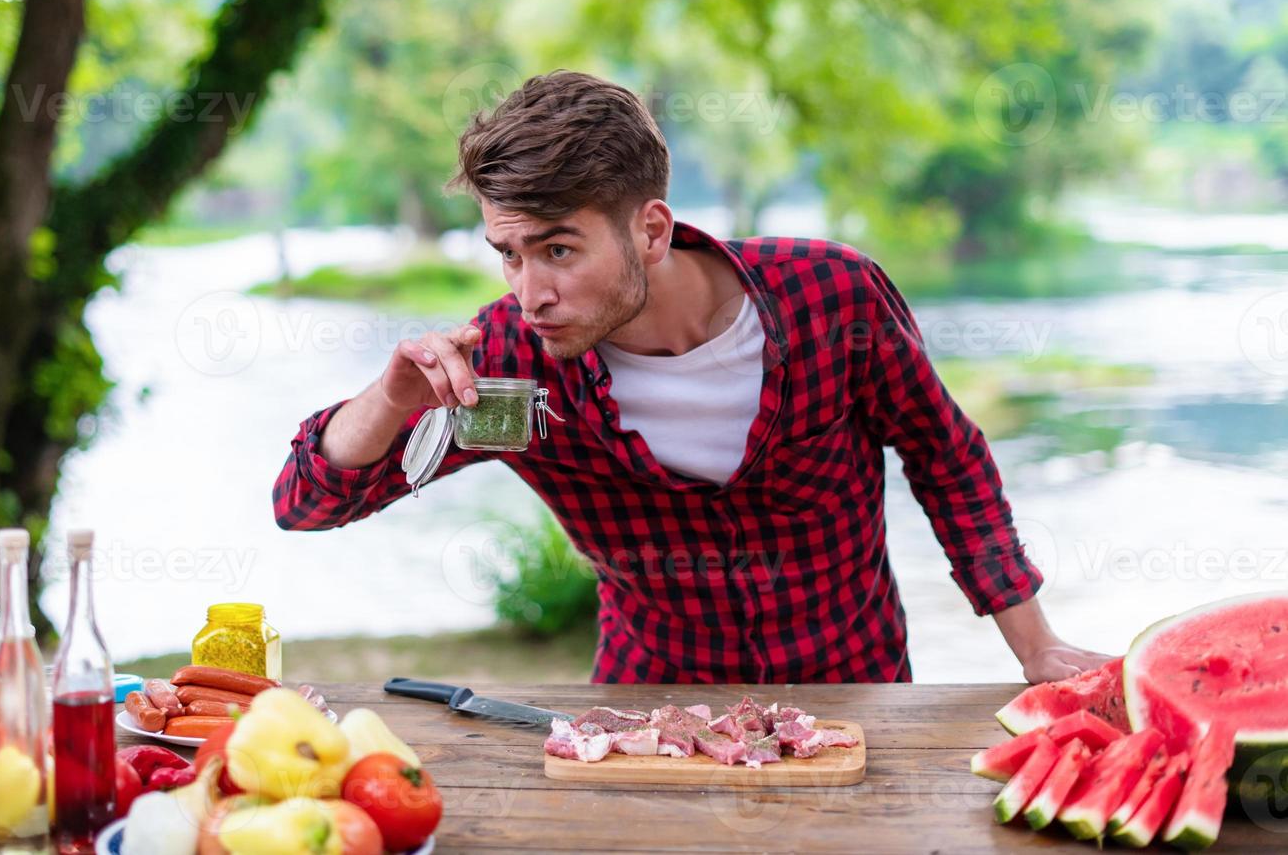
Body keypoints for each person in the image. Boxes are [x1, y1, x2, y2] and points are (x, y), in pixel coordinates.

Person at [274, 70, 1111, 685]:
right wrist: (388, 402)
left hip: (860, 698)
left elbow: (947, 459)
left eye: (559, 250)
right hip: (648, 715)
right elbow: (306, 505)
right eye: (508, 255)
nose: (529, 294)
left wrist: (1035, 645)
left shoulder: (832, 299)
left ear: (650, 229)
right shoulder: (512, 373)